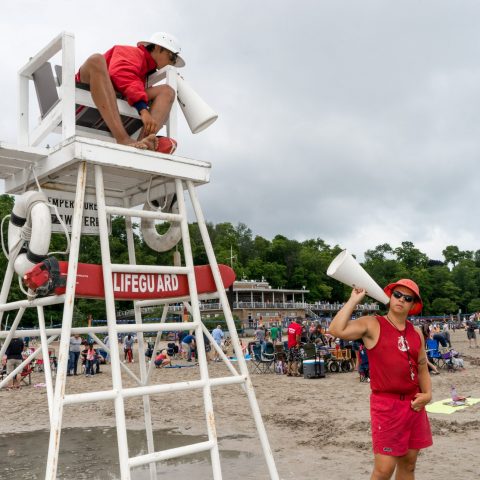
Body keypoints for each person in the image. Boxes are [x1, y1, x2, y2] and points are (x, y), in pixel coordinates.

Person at [329, 279, 432, 480]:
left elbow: (421, 366)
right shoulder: (373, 323)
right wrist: (353, 301)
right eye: (397, 295)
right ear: (389, 297)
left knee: (409, 465)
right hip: (387, 405)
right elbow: (336, 330)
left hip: (414, 404)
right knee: (384, 470)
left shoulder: (416, 332)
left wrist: (427, 394)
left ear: (413, 305)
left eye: (407, 298)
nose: (401, 299)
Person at [76, 32, 185, 152]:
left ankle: (143, 143)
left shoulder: (147, 72)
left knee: (167, 91)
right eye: (172, 57)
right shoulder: (132, 52)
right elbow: (122, 74)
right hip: (86, 90)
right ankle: (123, 139)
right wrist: (143, 109)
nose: (173, 63)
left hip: (116, 96)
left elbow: (133, 87)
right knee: (96, 59)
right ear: (158, 48)